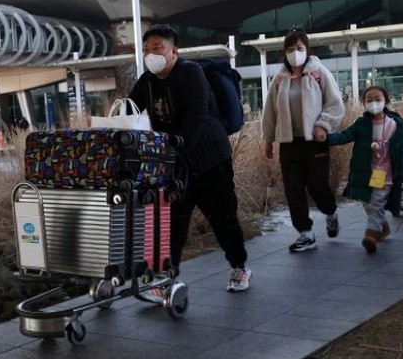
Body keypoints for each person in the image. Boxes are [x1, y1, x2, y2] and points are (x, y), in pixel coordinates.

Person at [128, 24, 252, 292]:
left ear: (174, 50)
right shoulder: (146, 82)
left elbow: (198, 115)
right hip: (175, 163)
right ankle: (165, 277)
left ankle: (239, 268)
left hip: (209, 160)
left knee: (222, 218)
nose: (151, 54)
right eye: (146, 50)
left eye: (157, 48)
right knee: (172, 222)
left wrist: (178, 145)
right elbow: (130, 110)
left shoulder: (190, 72)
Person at [262, 26, 345, 252]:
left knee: (318, 187)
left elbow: (335, 103)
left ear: (307, 49)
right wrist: (268, 138)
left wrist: (323, 125)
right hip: (289, 143)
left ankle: (331, 212)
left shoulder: (319, 72)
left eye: (299, 48)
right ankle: (306, 234)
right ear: (284, 52)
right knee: (293, 190)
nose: (295, 52)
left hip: (315, 141)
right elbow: (270, 110)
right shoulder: (279, 79)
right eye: (290, 48)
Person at [327, 86, 403, 253]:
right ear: (363, 103)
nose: (374, 103)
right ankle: (383, 228)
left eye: (378, 99)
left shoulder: (395, 125)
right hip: (365, 172)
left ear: (386, 102)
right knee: (368, 203)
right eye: (369, 100)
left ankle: (371, 235)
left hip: (384, 173)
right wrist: (324, 139)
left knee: (376, 202)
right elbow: (345, 135)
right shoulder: (361, 124)